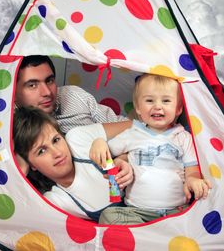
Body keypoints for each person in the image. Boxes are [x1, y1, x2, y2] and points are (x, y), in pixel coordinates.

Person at [89, 74, 212, 224]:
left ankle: (157, 237)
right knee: (108, 216)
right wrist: (99, 141)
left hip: (176, 212)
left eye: (166, 100)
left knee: (202, 216)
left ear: (179, 108)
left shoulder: (183, 137)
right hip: (137, 213)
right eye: (149, 100)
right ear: (138, 108)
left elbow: (192, 169)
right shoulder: (132, 134)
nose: (157, 106)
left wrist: (193, 180)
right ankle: (149, 238)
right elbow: (108, 152)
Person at [13, 106, 133, 222]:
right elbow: (16, 224)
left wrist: (123, 158)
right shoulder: (56, 200)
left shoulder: (78, 140)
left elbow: (142, 129)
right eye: (41, 151)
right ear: (31, 165)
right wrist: (20, 171)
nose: (57, 153)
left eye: (56, 140)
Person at [15, 55, 130, 134]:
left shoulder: (73, 95)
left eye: (49, 81)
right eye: (32, 85)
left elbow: (122, 124)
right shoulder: (7, 126)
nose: (47, 92)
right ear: (13, 92)